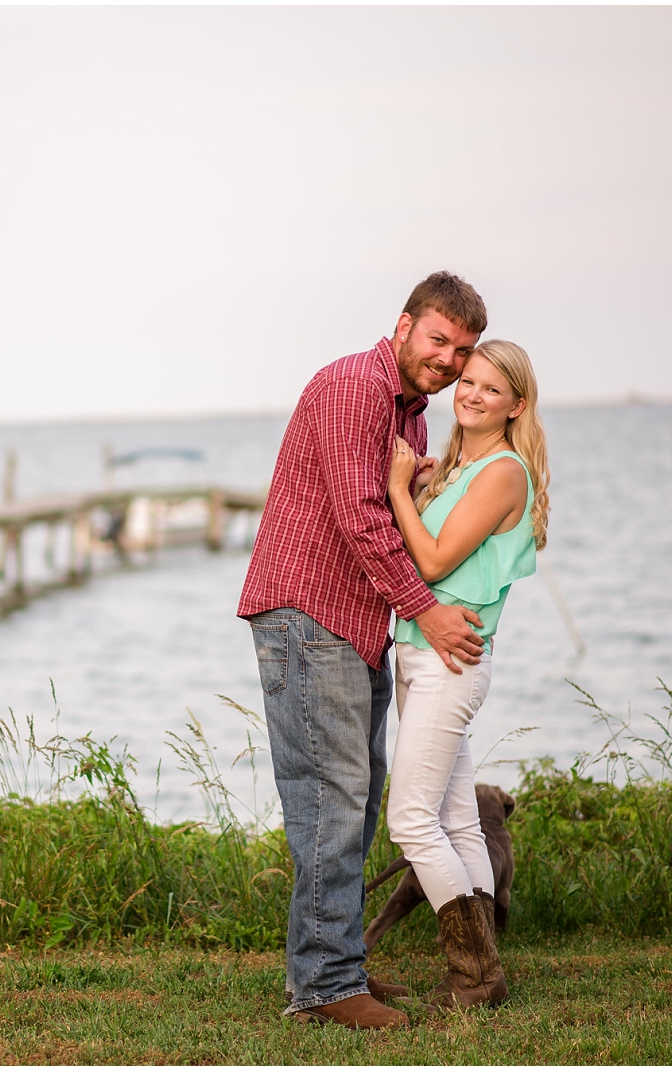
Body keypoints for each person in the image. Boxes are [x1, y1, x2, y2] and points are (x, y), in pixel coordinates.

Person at [238, 271, 489, 1031]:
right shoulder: (355, 388)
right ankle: (322, 985)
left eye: (463, 351)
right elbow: (360, 518)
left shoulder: (408, 418)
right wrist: (429, 614)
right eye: (439, 339)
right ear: (405, 324)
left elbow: (400, 516)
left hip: (353, 625)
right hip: (309, 614)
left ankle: (337, 962)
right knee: (330, 797)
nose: (448, 360)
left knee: (357, 790)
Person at [385, 339, 549, 1009]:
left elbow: (429, 563)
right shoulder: (461, 467)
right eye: (468, 381)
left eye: (490, 386)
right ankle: (482, 964)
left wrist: (397, 488)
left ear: (517, 403)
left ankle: (476, 974)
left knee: (411, 817)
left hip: (448, 663)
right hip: (418, 652)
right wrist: (423, 484)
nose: (472, 393)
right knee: (454, 817)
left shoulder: (504, 472)